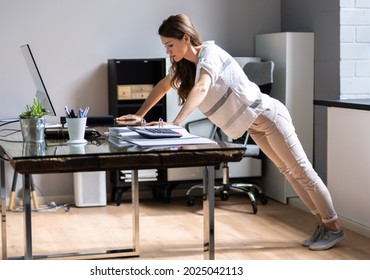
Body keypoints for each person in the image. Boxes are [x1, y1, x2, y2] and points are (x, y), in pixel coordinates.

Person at [116, 14, 344, 250]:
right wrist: (141, 115)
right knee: (289, 172)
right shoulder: (187, 66)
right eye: (165, 47)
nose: (168, 52)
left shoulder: (209, 54)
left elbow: (203, 86)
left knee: (301, 170)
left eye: (170, 45)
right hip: (255, 125)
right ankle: (323, 225)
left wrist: (176, 123)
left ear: (185, 38)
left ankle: (334, 227)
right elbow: (164, 85)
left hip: (269, 116)